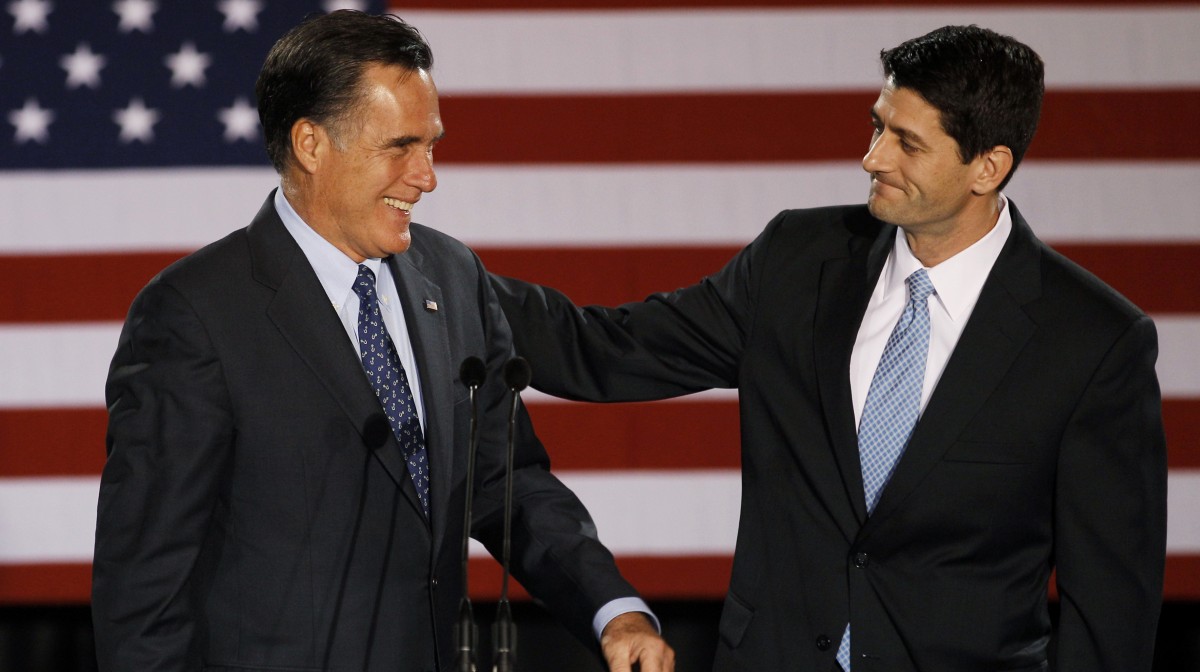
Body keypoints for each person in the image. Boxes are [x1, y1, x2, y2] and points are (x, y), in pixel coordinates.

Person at [492, 24, 1166, 671]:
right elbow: (604, 349)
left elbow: (1109, 612)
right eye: (878, 126)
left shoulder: (1094, 343)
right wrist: (444, 282)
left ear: (987, 167)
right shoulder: (796, 261)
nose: (872, 158)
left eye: (906, 142)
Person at [92, 10, 673, 672]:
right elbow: (144, 589)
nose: (426, 177)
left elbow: (504, 484)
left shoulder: (452, 278)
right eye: (399, 146)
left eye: (431, 145)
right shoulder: (194, 315)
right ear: (311, 144)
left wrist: (613, 610)